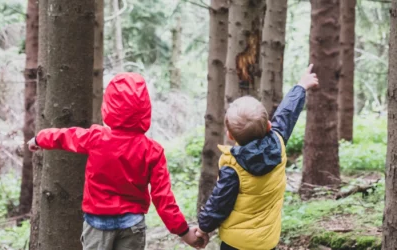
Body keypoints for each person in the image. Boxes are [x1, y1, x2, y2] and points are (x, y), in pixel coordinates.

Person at [28, 73, 208, 250]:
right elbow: (163, 198)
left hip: (97, 224)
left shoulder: (95, 138)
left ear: (109, 104)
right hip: (132, 225)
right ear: (145, 108)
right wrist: (184, 232)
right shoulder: (152, 150)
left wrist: (39, 139)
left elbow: (64, 136)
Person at [196, 64, 318, 250]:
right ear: (269, 126)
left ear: (230, 135)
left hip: (236, 244)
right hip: (267, 242)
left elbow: (219, 203)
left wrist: (204, 227)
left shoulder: (233, 166)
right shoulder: (278, 142)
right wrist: (301, 86)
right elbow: (287, 113)